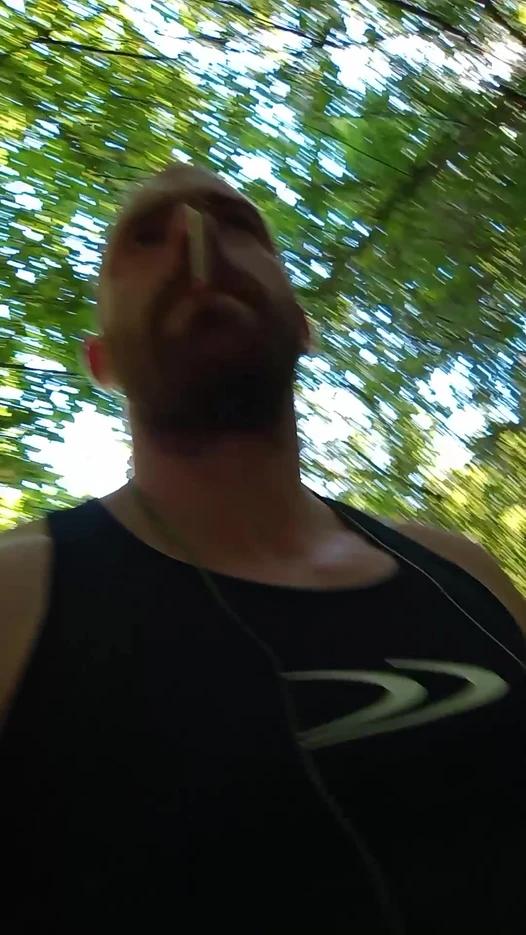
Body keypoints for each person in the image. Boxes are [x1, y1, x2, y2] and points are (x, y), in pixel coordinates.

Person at [1, 162, 525, 935]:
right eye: (146, 238)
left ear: (304, 326)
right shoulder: (15, 601)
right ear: (102, 362)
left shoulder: (461, 571)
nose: (197, 240)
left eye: (236, 224)